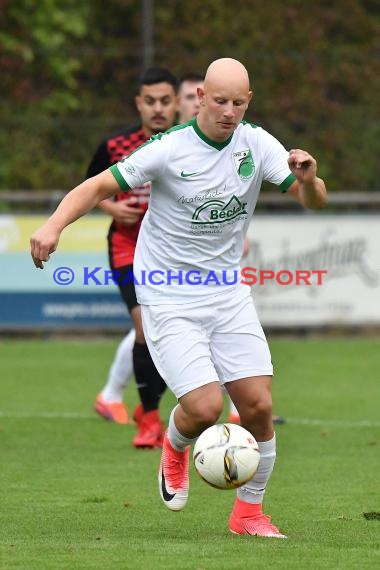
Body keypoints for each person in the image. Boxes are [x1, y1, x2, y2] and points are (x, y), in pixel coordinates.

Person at [30, 57, 327, 537]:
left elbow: (314, 201)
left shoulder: (258, 144)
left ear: (248, 101)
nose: (229, 111)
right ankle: (174, 447)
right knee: (206, 408)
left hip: (227, 292)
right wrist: (53, 225)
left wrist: (310, 178)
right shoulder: (168, 149)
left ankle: (248, 514)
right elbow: (98, 185)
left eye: (238, 102)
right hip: (168, 294)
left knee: (258, 407)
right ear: (201, 98)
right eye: (220, 101)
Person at [87, 67, 178, 447]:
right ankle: (151, 421)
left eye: (165, 101)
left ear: (177, 104)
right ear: (138, 103)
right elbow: (91, 189)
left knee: (166, 333)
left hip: (172, 254)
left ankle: (147, 409)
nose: (157, 108)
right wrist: (112, 210)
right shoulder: (115, 145)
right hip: (126, 249)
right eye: (150, 101)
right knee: (143, 327)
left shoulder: (187, 144)